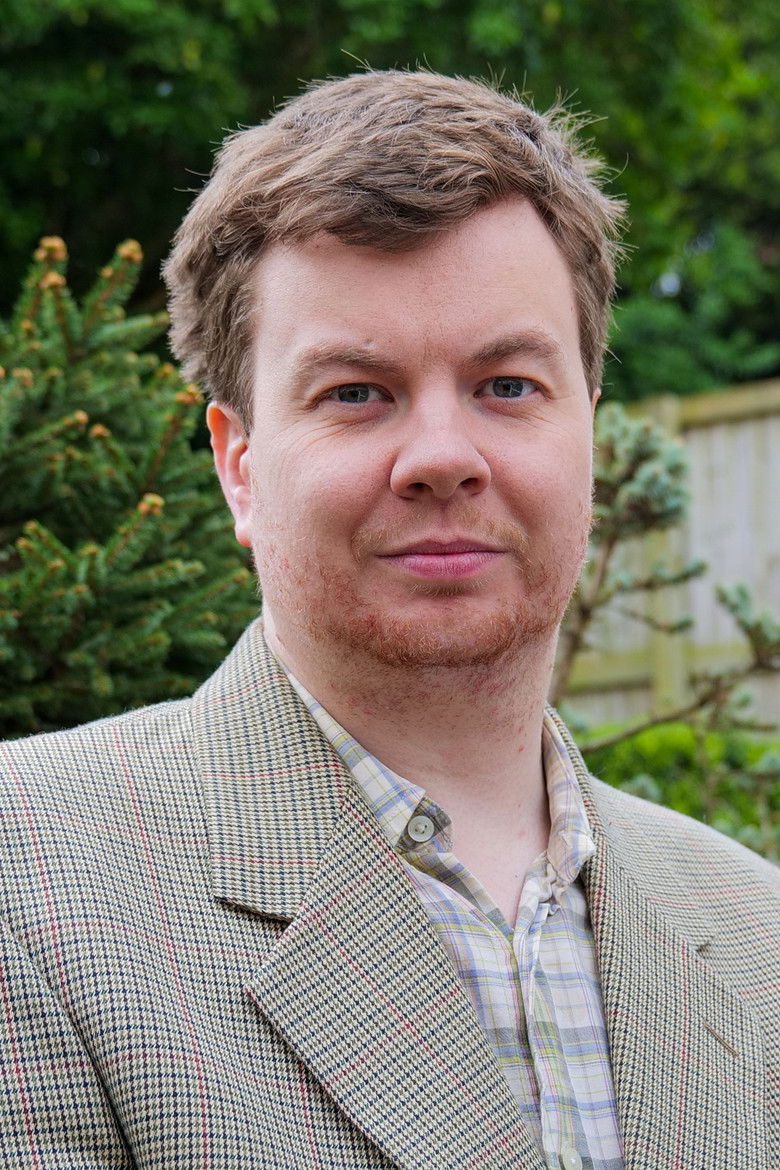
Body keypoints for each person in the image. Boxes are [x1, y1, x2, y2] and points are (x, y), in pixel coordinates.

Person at [0, 70, 777, 1170]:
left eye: (508, 385)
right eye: (356, 393)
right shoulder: (28, 883)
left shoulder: (756, 931)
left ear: (590, 434)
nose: (444, 458)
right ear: (238, 466)